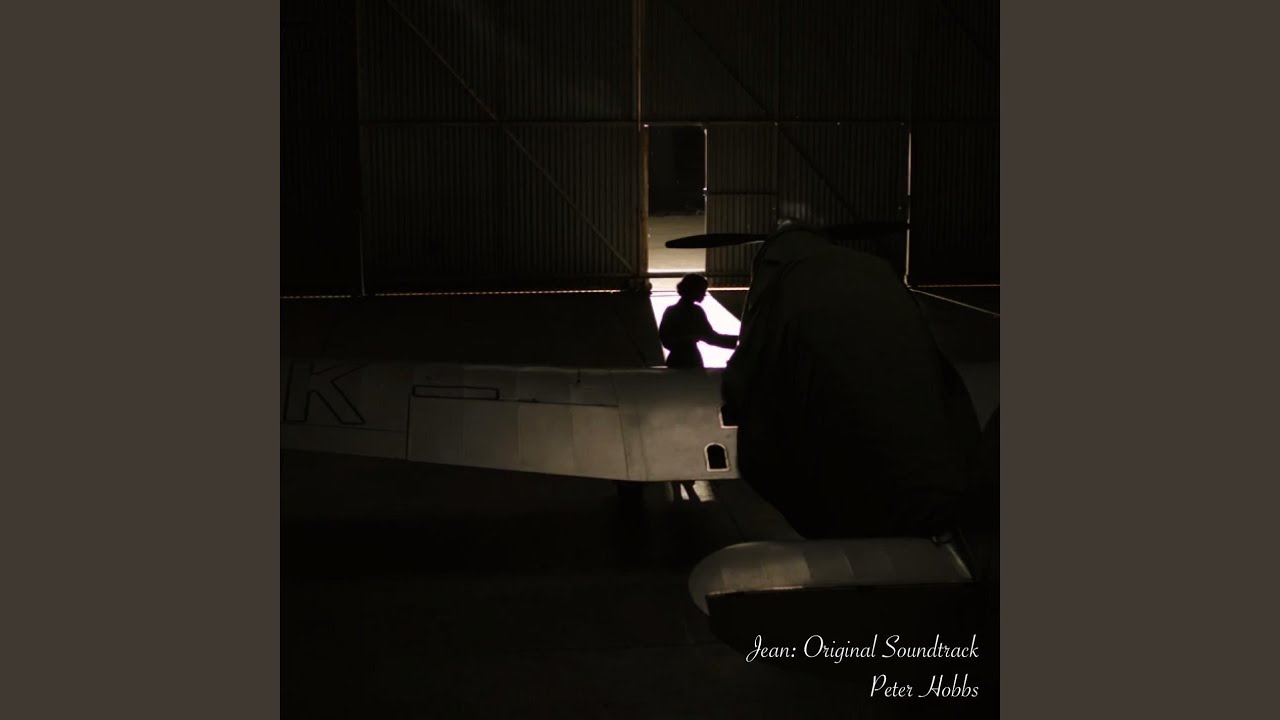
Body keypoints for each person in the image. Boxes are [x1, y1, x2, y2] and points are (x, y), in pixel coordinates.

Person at [658, 274, 738, 370]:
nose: (704, 294)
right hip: (692, 360)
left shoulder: (671, 311)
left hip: (676, 360)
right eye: (702, 291)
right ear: (694, 291)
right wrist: (739, 342)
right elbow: (711, 337)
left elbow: (666, 340)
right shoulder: (696, 311)